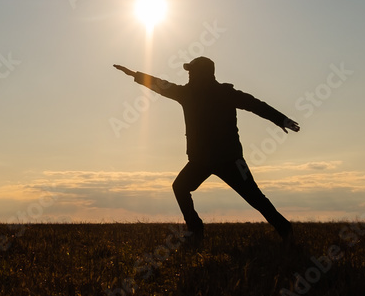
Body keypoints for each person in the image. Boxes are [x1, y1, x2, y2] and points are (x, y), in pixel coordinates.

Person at [113, 57, 300, 243]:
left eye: (192, 72)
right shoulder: (190, 93)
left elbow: (256, 105)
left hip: (230, 160)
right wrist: (135, 75)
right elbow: (160, 84)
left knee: (255, 197)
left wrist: (281, 119)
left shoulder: (214, 93)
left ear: (203, 73)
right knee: (180, 187)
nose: (189, 75)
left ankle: (284, 228)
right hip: (201, 160)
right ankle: (196, 230)